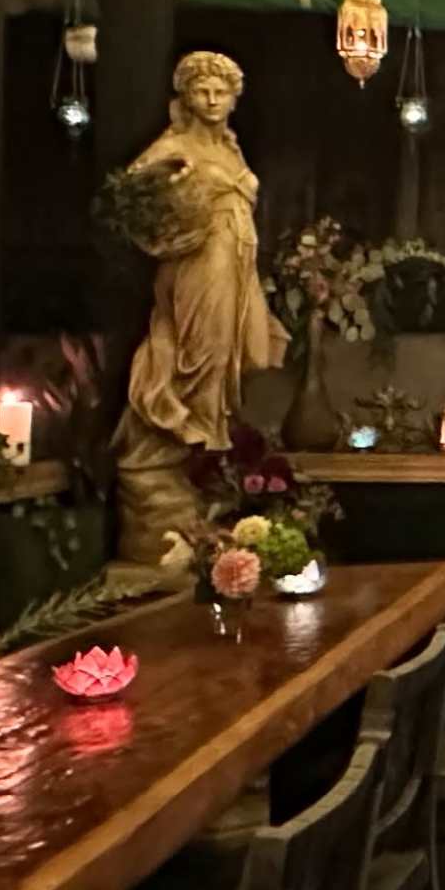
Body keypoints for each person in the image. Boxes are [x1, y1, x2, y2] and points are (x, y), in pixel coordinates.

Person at [111, 49, 287, 562]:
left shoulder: (230, 147)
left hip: (237, 260)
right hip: (200, 261)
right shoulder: (175, 144)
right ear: (185, 96)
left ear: (234, 98)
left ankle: (213, 457)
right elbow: (130, 196)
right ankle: (188, 440)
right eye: (201, 91)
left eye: (221, 91)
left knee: (241, 355)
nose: (211, 100)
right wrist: (167, 179)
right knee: (199, 352)